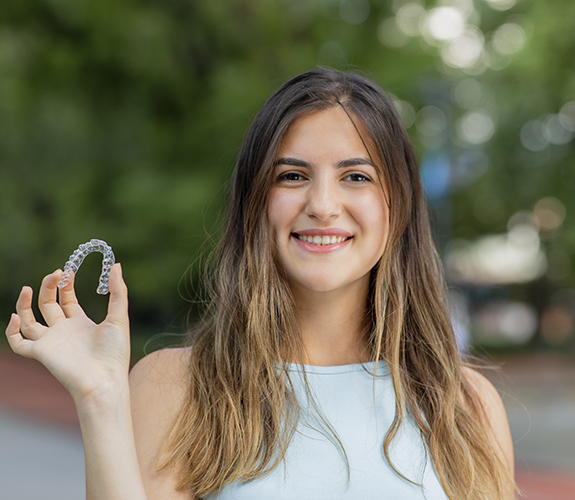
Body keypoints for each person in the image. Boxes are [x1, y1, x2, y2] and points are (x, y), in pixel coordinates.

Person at [5, 68, 515, 500]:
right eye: (291, 176)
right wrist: (100, 398)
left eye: (356, 177)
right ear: (255, 203)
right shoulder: (176, 386)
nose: (321, 204)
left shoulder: (465, 404)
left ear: (397, 205)